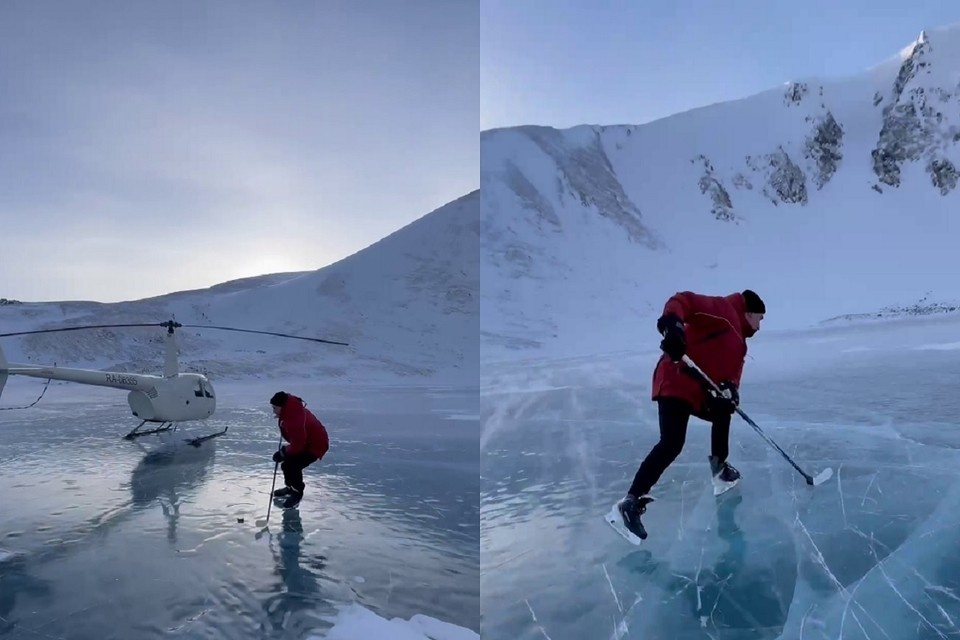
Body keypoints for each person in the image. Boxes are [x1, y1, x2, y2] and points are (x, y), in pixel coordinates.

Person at [617, 289, 766, 540]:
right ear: (749, 312)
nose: (759, 327)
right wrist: (673, 326)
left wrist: (731, 391)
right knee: (672, 442)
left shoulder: (740, 345)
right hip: (675, 379)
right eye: (759, 319)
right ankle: (630, 501)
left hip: (698, 393)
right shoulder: (724, 311)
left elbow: (733, 378)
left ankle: (719, 470)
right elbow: (683, 301)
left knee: (723, 410)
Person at [269, 391, 330, 509]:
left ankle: (297, 493)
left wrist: (283, 452)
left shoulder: (295, 419)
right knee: (286, 465)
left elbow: (298, 445)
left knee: (293, 465)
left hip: (316, 446)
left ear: (283, 407)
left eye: (275, 408)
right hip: (307, 443)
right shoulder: (291, 411)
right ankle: (290, 488)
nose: (273, 411)